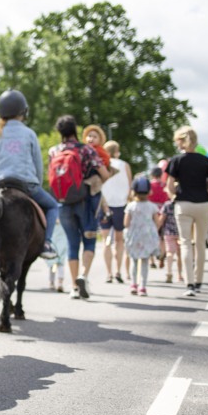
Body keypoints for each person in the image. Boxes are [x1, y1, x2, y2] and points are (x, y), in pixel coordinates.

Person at [0, 89, 58, 259]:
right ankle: (46, 243)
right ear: (23, 111)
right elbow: (38, 164)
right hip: (26, 184)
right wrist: (36, 183)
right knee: (53, 206)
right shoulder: (30, 133)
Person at [52, 115, 111, 299]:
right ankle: (83, 275)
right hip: (85, 202)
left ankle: (73, 288)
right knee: (89, 241)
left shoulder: (54, 151)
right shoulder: (86, 150)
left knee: (72, 243)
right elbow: (105, 175)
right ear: (75, 130)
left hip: (63, 202)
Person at [164, 125, 208, 297]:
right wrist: (206, 196)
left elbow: (169, 187)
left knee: (185, 242)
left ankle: (189, 283)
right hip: (203, 204)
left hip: (183, 204)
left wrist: (176, 196)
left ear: (181, 141)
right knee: (200, 243)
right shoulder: (207, 161)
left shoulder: (176, 161)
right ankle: (198, 281)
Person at [100, 140, 133, 284]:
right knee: (119, 240)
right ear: (117, 151)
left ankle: (109, 273)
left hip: (105, 206)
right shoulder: (124, 165)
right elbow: (130, 186)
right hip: (121, 205)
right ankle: (119, 270)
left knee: (106, 241)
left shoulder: (103, 165)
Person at [124, 176, 161, 297]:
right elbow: (157, 222)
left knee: (134, 261)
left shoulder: (130, 206)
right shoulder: (152, 206)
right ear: (149, 191)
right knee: (145, 261)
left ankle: (133, 284)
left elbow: (126, 223)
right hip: (147, 237)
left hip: (134, 236)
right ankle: (143, 287)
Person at [44, 203, 70, 292]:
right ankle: (55, 282)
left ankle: (58, 283)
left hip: (61, 240)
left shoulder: (54, 209)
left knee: (58, 263)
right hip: (55, 240)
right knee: (55, 264)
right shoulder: (57, 209)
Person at [158, 198, 184, 283]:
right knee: (180, 254)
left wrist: (157, 229)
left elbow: (161, 219)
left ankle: (169, 272)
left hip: (169, 232)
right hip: (181, 232)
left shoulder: (167, 205)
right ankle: (180, 275)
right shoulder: (183, 204)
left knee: (169, 252)